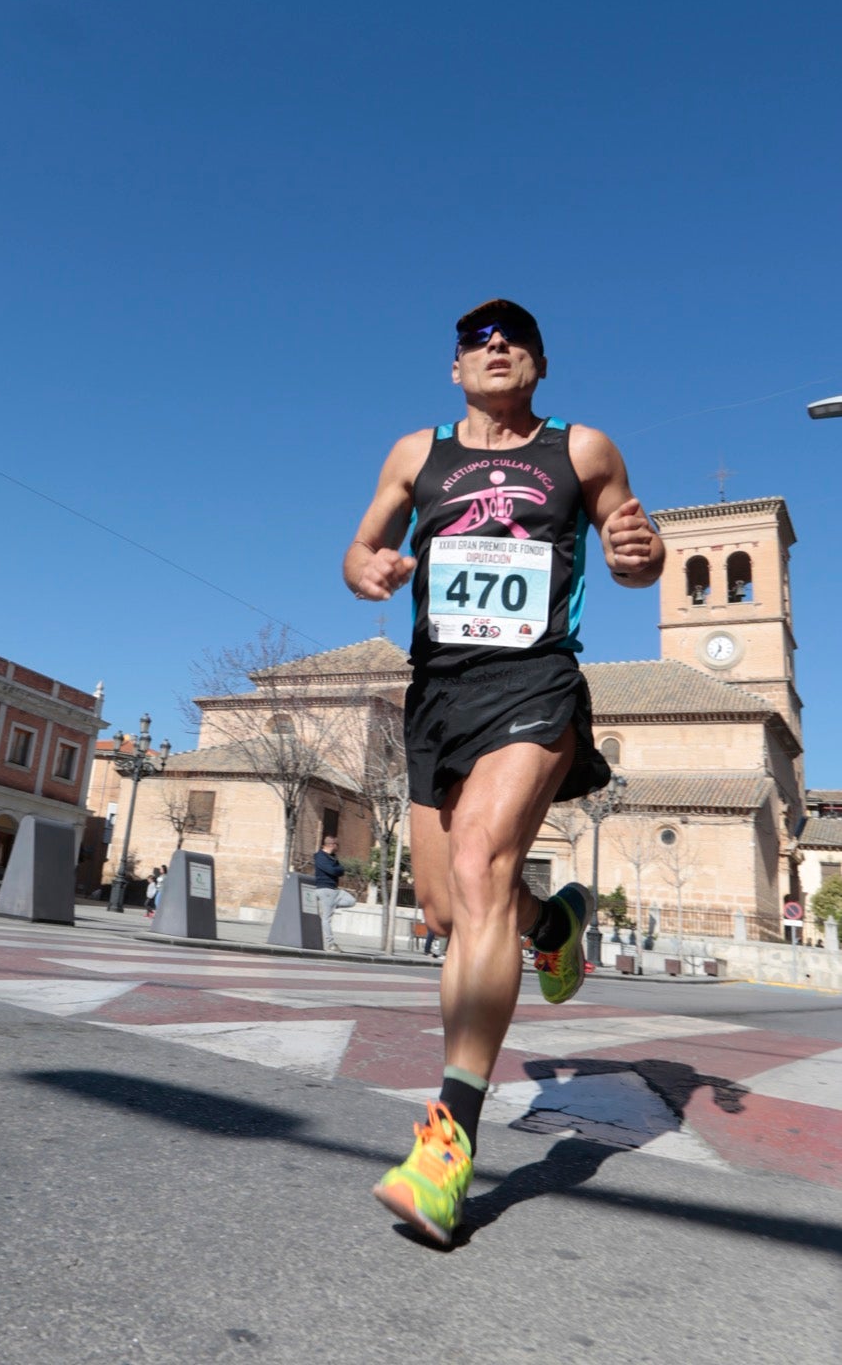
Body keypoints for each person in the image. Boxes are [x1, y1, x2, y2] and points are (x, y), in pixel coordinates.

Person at [344, 298, 663, 1247]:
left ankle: (446, 1149)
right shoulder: (414, 453)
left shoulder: (583, 449)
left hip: (536, 680)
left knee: (484, 864)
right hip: (436, 692)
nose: (494, 349)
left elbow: (631, 551)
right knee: (447, 911)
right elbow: (361, 547)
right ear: (454, 370)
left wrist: (638, 559)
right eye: (476, 342)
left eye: (513, 340)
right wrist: (368, 568)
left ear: (539, 366)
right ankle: (551, 924)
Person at [313, 835, 356, 952]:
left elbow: (341, 870)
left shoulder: (332, 857)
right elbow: (333, 870)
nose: (338, 847)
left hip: (335, 890)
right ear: (332, 845)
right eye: (337, 845)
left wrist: (337, 870)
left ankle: (332, 905)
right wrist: (337, 870)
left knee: (351, 901)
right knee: (326, 918)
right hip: (325, 889)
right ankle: (331, 944)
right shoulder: (320, 856)